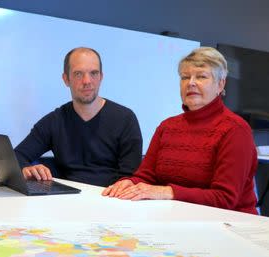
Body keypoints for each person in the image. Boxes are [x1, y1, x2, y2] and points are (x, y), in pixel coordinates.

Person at [102, 47, 258, 215]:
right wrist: (130, 183)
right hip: (175, 218)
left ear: (220, 84)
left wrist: (168, 191)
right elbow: (146, 176)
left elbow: (224, 198)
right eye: (185, 77)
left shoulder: (236, 129)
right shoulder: (167, 126)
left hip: (229, 224)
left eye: (201, 76)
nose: (190, 82)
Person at [14, 47, 143, 187]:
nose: (87, 81)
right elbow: (17, 156)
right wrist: (26, 169)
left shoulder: (125, 119)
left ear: (101, 77)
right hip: (67, 200)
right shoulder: (55, 120)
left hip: (110, 199)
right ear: (66, 79)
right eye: (78, 74)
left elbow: (131, 177)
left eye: (94, 73)